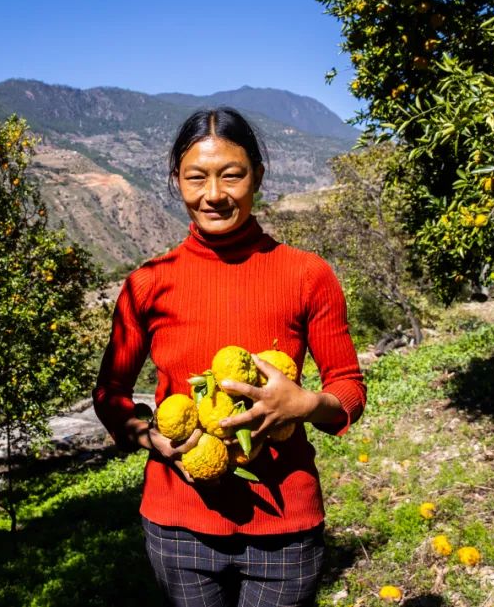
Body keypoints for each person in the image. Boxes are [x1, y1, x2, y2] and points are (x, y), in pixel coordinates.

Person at [93, 107, 367, 607]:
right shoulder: (148, 284)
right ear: (176, 181)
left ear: (257, 177)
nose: (214, 194)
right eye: (196, 177)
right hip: (179, 529)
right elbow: (110, 392)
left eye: (232, 176)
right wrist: (146, 434)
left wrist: (304, 405)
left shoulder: (308, 276)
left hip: (284, 528)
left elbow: (348, 385)